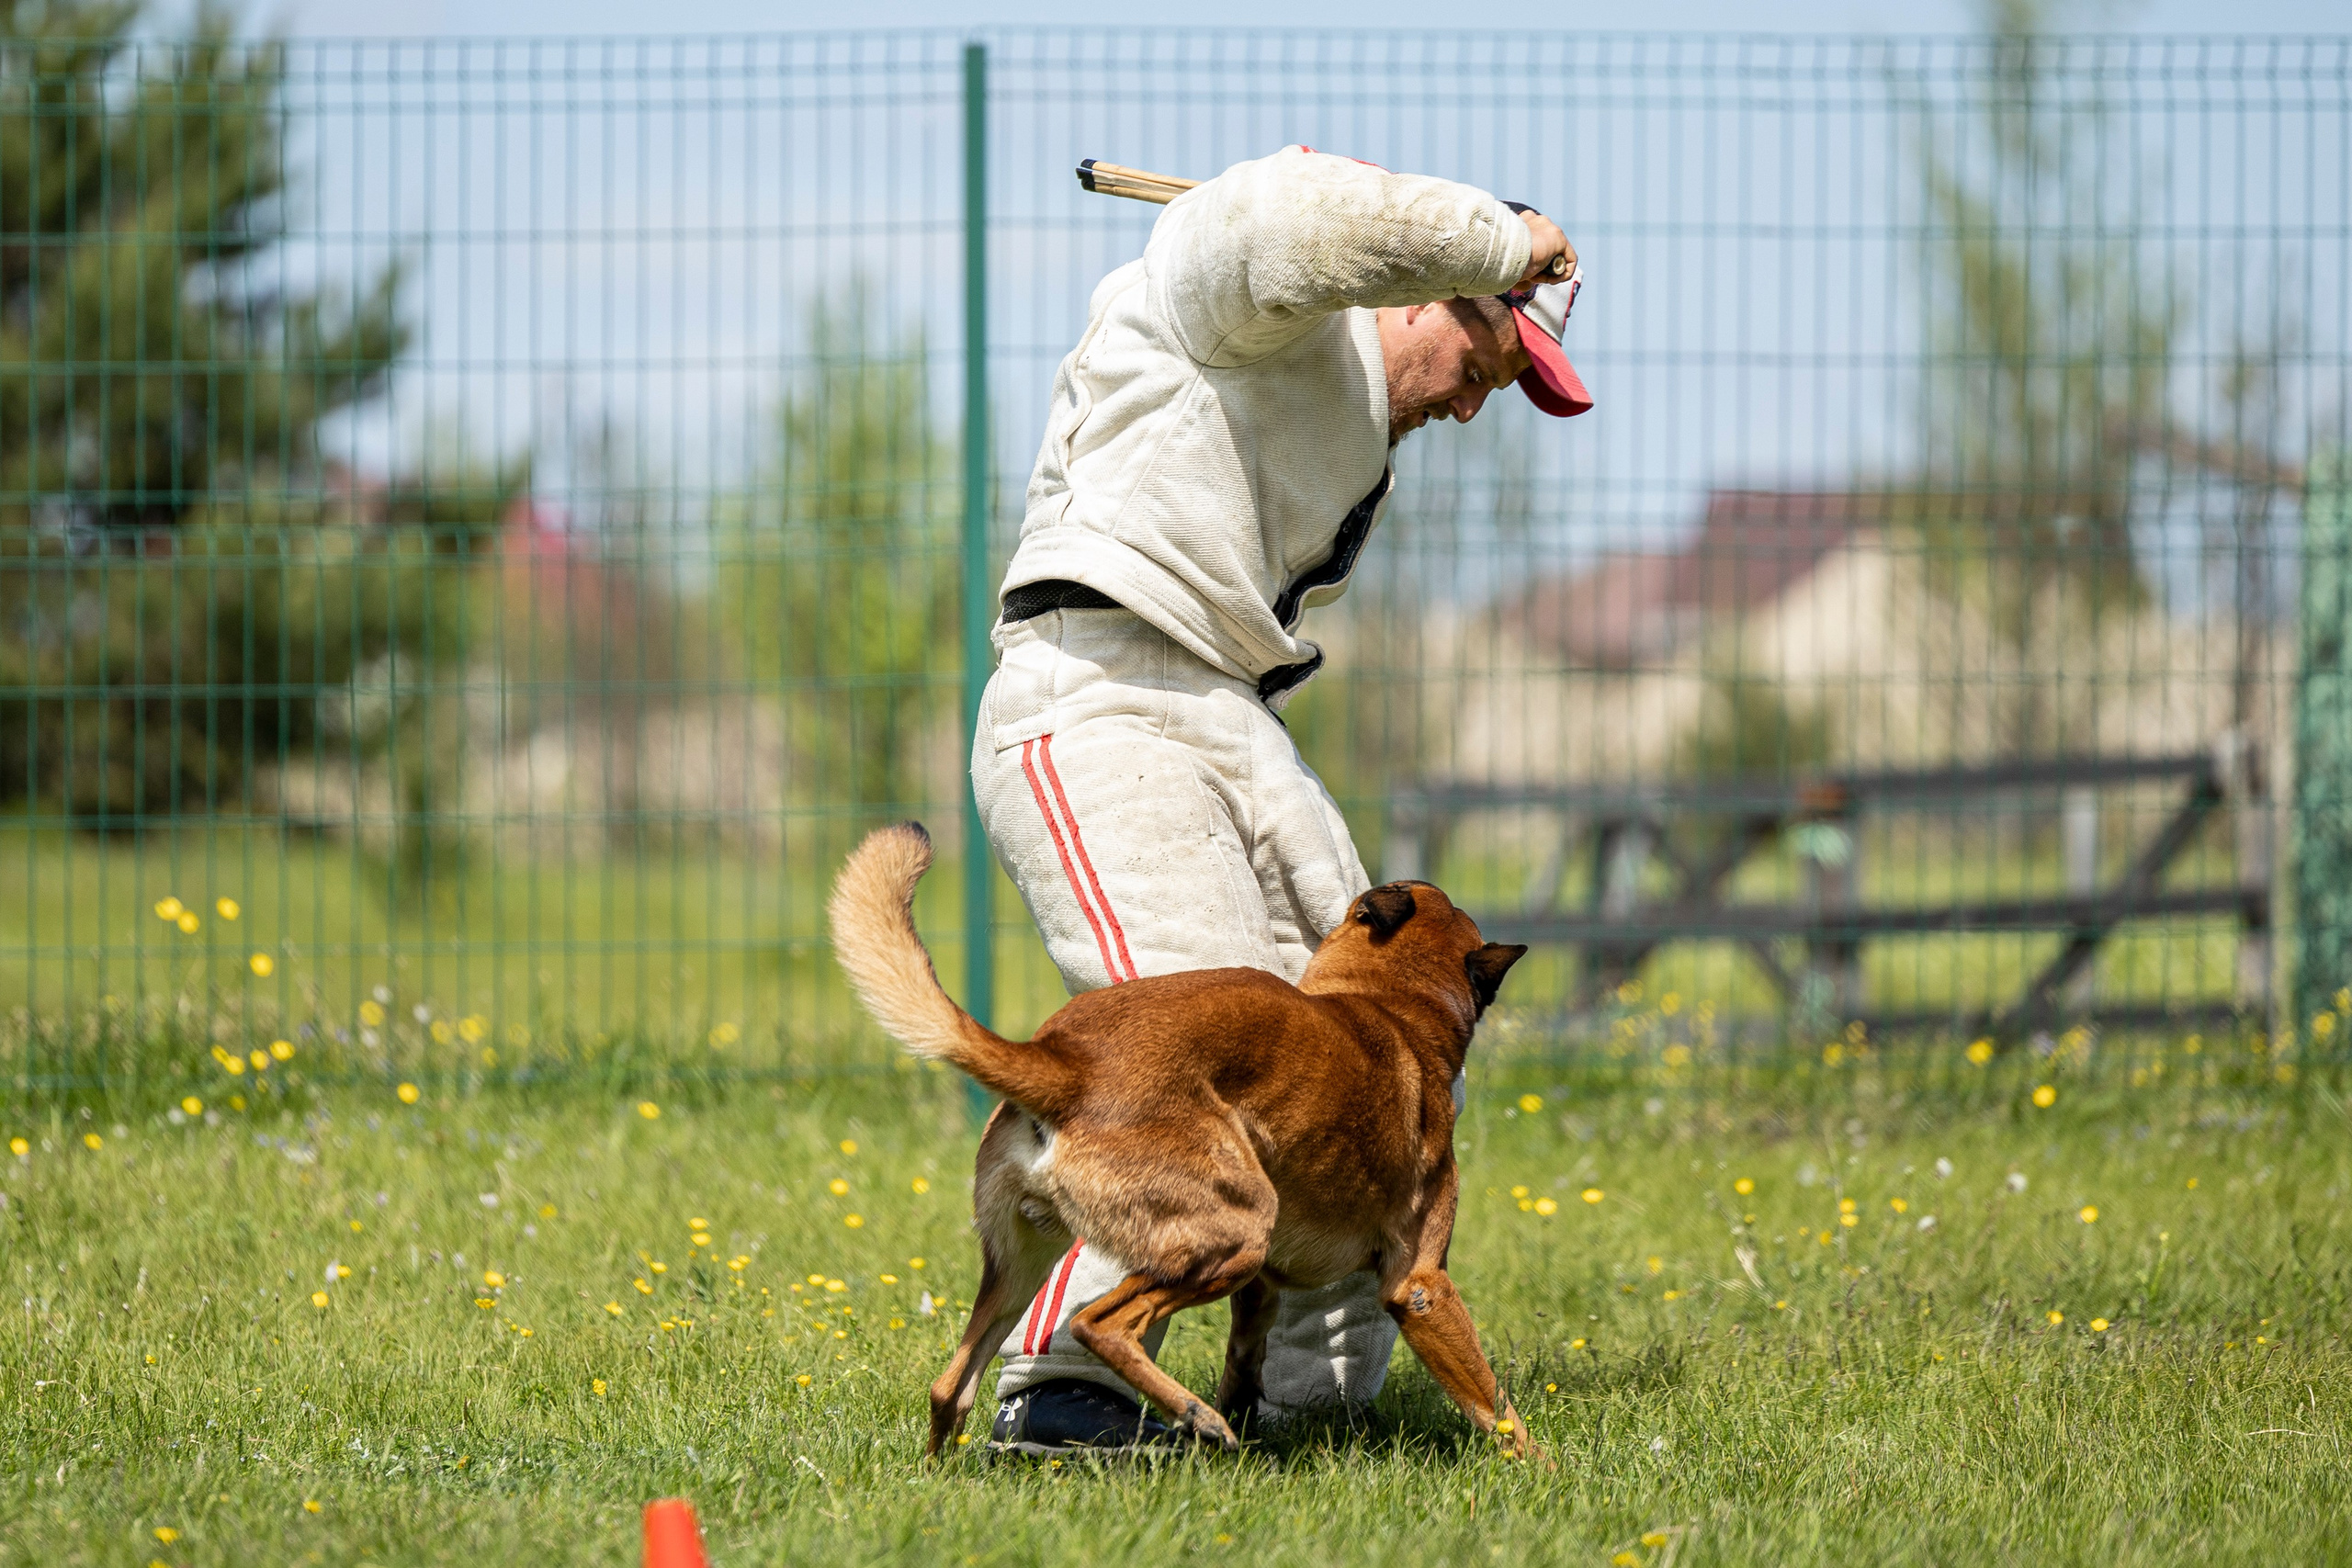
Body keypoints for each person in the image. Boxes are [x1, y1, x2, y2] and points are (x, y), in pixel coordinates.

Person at [970, 144, 1589, 1454]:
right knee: (1192, 1034)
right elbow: (1292, 213)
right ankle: (1062, 1389)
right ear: (1436, 289)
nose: (1476, 409)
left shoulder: (1365, 432)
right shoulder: (1233, 287)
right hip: (1094, 688)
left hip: (1230, 715)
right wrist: (1503, 233)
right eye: (1486, 372)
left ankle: (1315, 1411)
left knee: (1376, 1062)